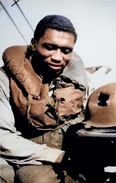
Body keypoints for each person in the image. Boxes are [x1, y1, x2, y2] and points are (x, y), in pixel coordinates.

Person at [0, 15, 88, 183]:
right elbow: (2, 136)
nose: (57, 57)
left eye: (65, 50)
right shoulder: (4, 80)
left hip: (74, 150)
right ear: (33, 44)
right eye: (49, 47)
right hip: (36, 157)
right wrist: (56, 155)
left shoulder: (74, 77)